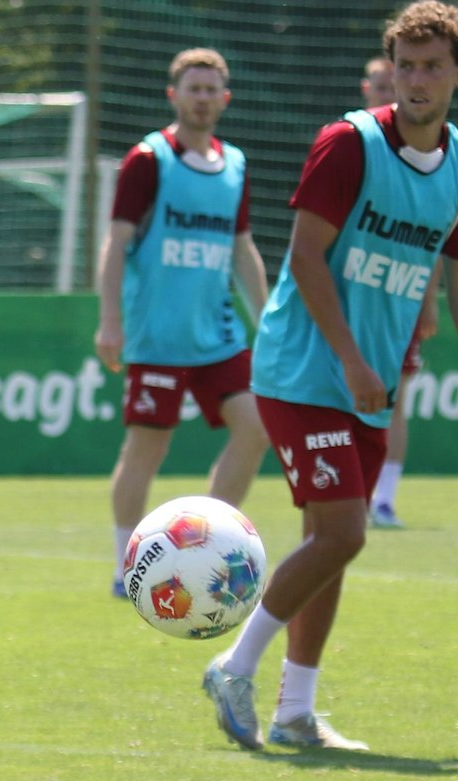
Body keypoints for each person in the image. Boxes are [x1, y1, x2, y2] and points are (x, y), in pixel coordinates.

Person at [202, 1, 458, 752]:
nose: (416, 80)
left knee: (329, 539)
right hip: (303, 368)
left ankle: (294, 712)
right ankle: (234, 664)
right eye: (405, 65)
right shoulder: (347, 143)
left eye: (431, 67)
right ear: (391, 69)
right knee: (345, 532)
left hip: (366, 380)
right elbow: (307, 257)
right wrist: (349, 359)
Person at [95, 47, 270, 599]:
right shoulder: (149, 160)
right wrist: (110, 322)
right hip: (159, 338)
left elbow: (243, 250)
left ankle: (209, 544)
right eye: (192, 88)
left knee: (259, 425)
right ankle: (129, 567)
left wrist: (267, 321)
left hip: (217, 336)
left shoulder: (234, 165)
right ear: (174, 96)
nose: (202, 98)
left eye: (210, 89)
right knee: (148, 448)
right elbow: (117, 243)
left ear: (225, 98)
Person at [359, 55, 443, 529]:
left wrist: (428, 300)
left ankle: (383, 499)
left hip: (400, 298)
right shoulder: (351, 142)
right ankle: (347, 491)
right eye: (379, 82)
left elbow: (427, 239)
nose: (385, 90)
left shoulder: (424, 152)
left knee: (393, 402)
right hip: (351, 297)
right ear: (365, 87)